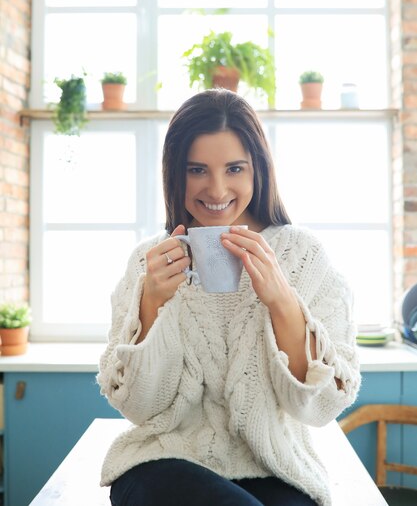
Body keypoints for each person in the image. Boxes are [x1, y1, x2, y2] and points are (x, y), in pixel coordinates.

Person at [97, 89, 361, 506]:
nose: (216, 189)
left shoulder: (302, 256)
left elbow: (322, 408)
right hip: (164, 463)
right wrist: (150, 307)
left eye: (234, 168)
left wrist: (282, 302)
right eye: (197, 169)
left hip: (276, 467)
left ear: (258, 170)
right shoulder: (147, 264)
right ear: (174, 174)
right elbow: (140, 408)